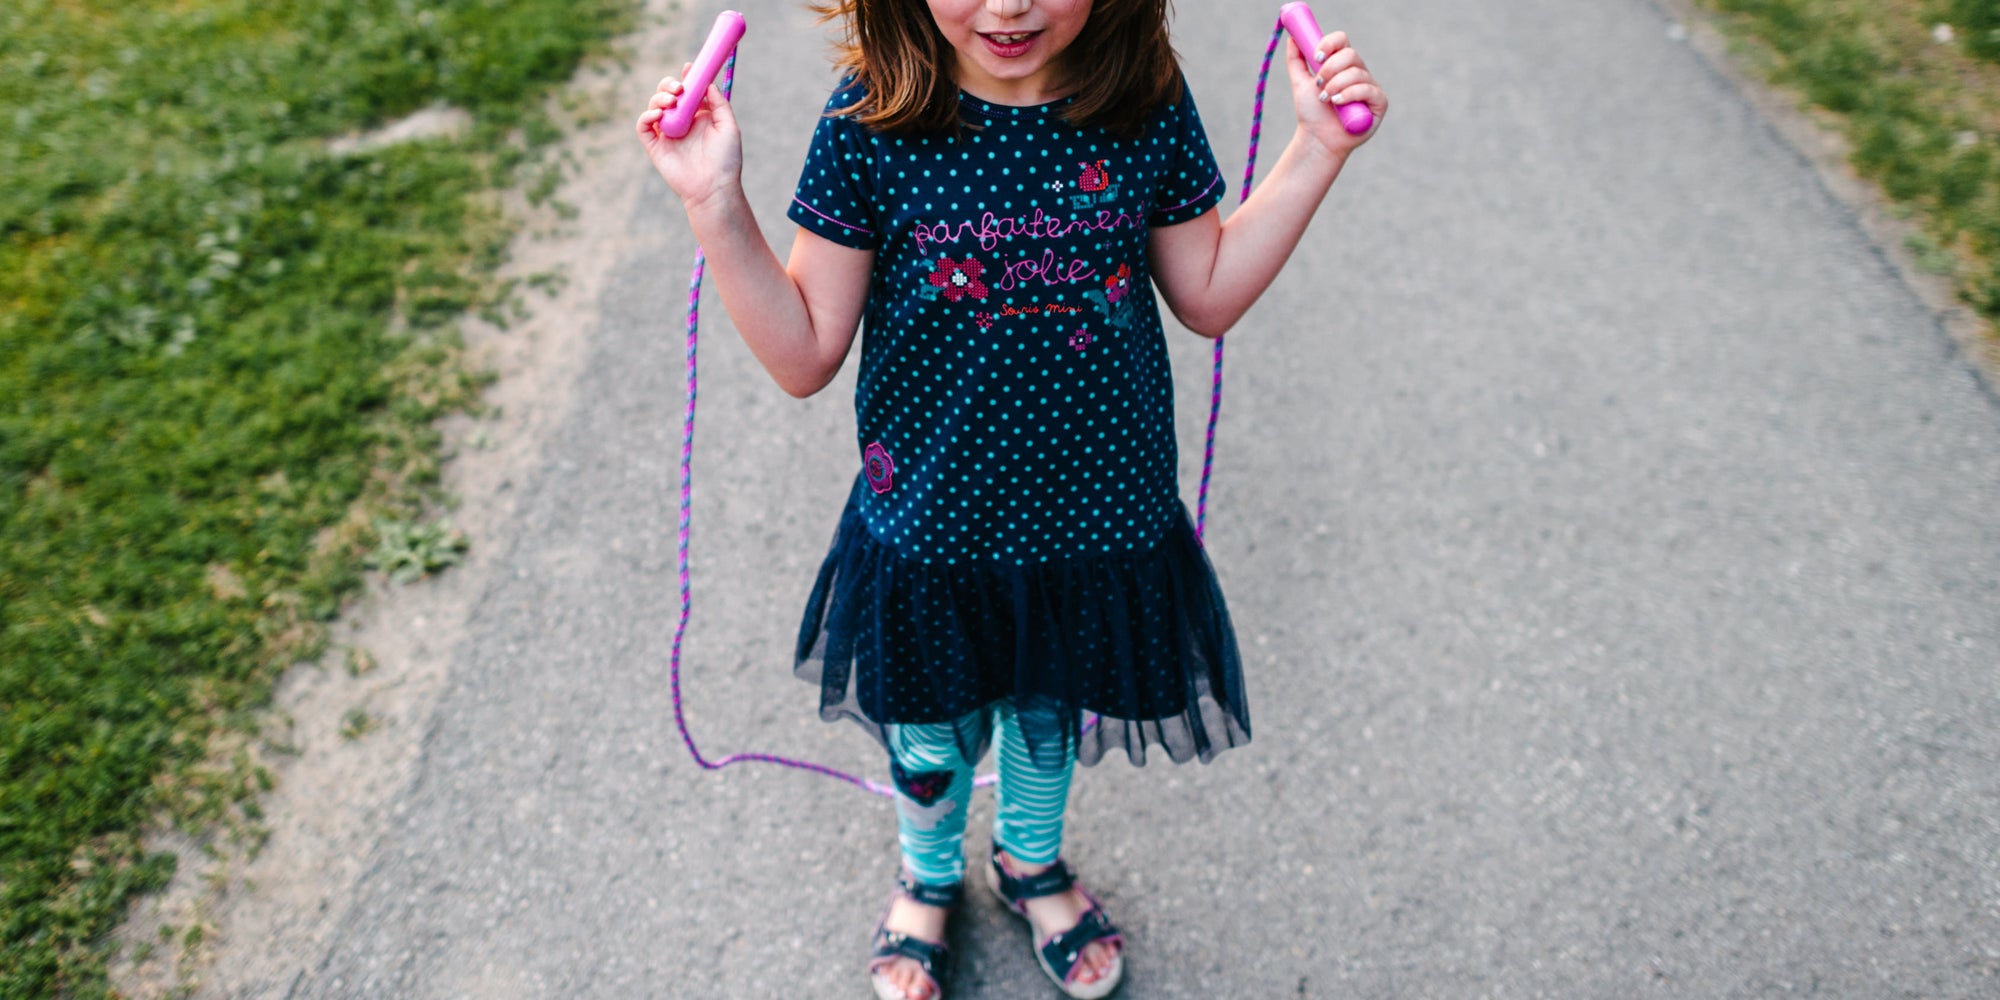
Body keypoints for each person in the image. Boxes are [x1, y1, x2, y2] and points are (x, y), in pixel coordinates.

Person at [637, 0, 1383, 995]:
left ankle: (1028, 859)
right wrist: (713, 202)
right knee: (931, 733)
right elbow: (805, 349)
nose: (1009, 4)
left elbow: (1204, 290)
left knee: (1045, 718)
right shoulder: (870, 122)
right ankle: (926, 871)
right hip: (934, 526)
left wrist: (1317, 149)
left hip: (1095, 517)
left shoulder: (1140, 103)